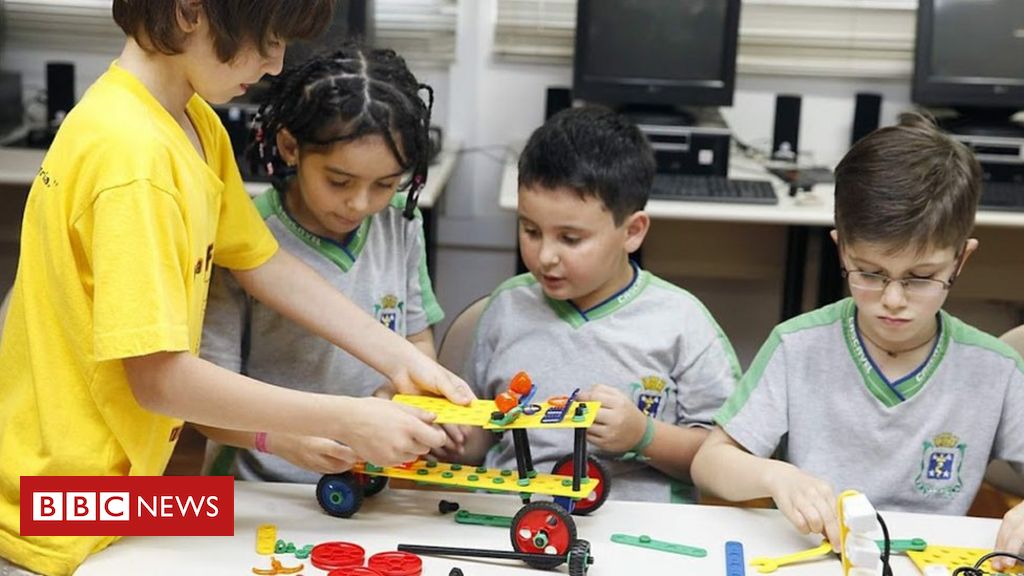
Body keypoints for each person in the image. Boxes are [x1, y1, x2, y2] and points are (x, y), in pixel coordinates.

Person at [0, 2, 471, 575]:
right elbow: (159, 378)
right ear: (191, 11)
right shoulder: (133, 160)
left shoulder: (188, 119)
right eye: (266, 39)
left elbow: (261, 262)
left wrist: (401, 359)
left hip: (111, 494)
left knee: (270, 534)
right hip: (61, 507)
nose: (276, 63)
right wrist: (345, 418)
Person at [691, 113, 1024, 569]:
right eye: (869, 273)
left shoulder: (995, 369)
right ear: (840, 248)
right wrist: (774, 476)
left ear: (960, 259)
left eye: (920, 278)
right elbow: (709, 464)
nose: (892, 300)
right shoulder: (798, 347)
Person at [452, 106, 740, 503]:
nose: (545, 256)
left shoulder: (682, 322)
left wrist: (644, 435)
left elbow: (728, 459)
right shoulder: (507, 308)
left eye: (570, 239)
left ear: (633, 231)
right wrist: (450, 438)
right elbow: (482, 433)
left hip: (640, 525)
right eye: (530, 230)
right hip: (512, 512)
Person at [198, 44, 447, 482]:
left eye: (386, 184)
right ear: (290, 147)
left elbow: (416, 345)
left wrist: (396, 396)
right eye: (339, 180)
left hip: (372, 483)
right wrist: (283, 438)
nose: (359, 203)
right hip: (263, 486)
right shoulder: (246, 237)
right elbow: (204, 397)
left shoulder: (401, 229)